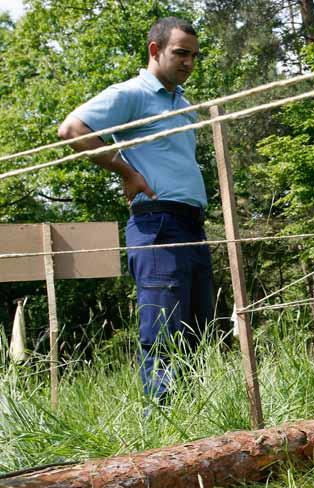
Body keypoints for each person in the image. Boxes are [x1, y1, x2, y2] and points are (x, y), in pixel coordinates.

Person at [58, 17, 212, 402]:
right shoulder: (132, 93)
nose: (188, 63)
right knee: (163, 330)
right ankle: (162, 426)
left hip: (191, 224)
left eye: (194, 56)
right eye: (180, 53)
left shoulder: (183, 103)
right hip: (157, 224)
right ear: (154, 50)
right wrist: (126, 172)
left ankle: (196, 424)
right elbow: (72, 129)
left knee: (199, 327)